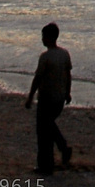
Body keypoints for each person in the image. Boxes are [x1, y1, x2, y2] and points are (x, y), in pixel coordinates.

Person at [24, 23, 72, 174]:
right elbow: (68, 75)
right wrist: (68, 92)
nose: (42, 39)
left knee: (43, 131)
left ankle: (50, 160)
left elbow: (38, 78)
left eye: (43, 36)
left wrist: (30, 97)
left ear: (49, 38)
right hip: (59, 98)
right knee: (48, 127)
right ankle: (51, 160)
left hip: (47, 98)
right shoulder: (64, 54)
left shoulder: (45, 57)